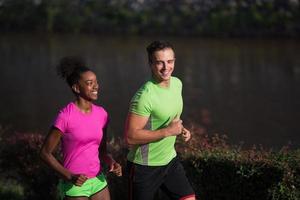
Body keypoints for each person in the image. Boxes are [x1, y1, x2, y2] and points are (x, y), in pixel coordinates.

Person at [40, 56, 122, 200]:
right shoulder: (65, 116)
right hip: (74, 185)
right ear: (76, 88)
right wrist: (69, 175)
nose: (96, 86)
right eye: (90, 83)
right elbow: (45, 153)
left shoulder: (102, 114)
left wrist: (111, 162)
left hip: (98, 181)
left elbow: (101, 151)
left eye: (96, 82)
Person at [124, 41, 196, 200]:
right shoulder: (144, 96)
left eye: (169, 61)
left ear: (174, 61)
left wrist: (181, 129)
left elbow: (172, 117)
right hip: (143, 168)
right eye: (159, 62)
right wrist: (168, 132)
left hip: (170, 161)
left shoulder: (177, 84)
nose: (166, 67)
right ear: (150, 64)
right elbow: (130, 136)